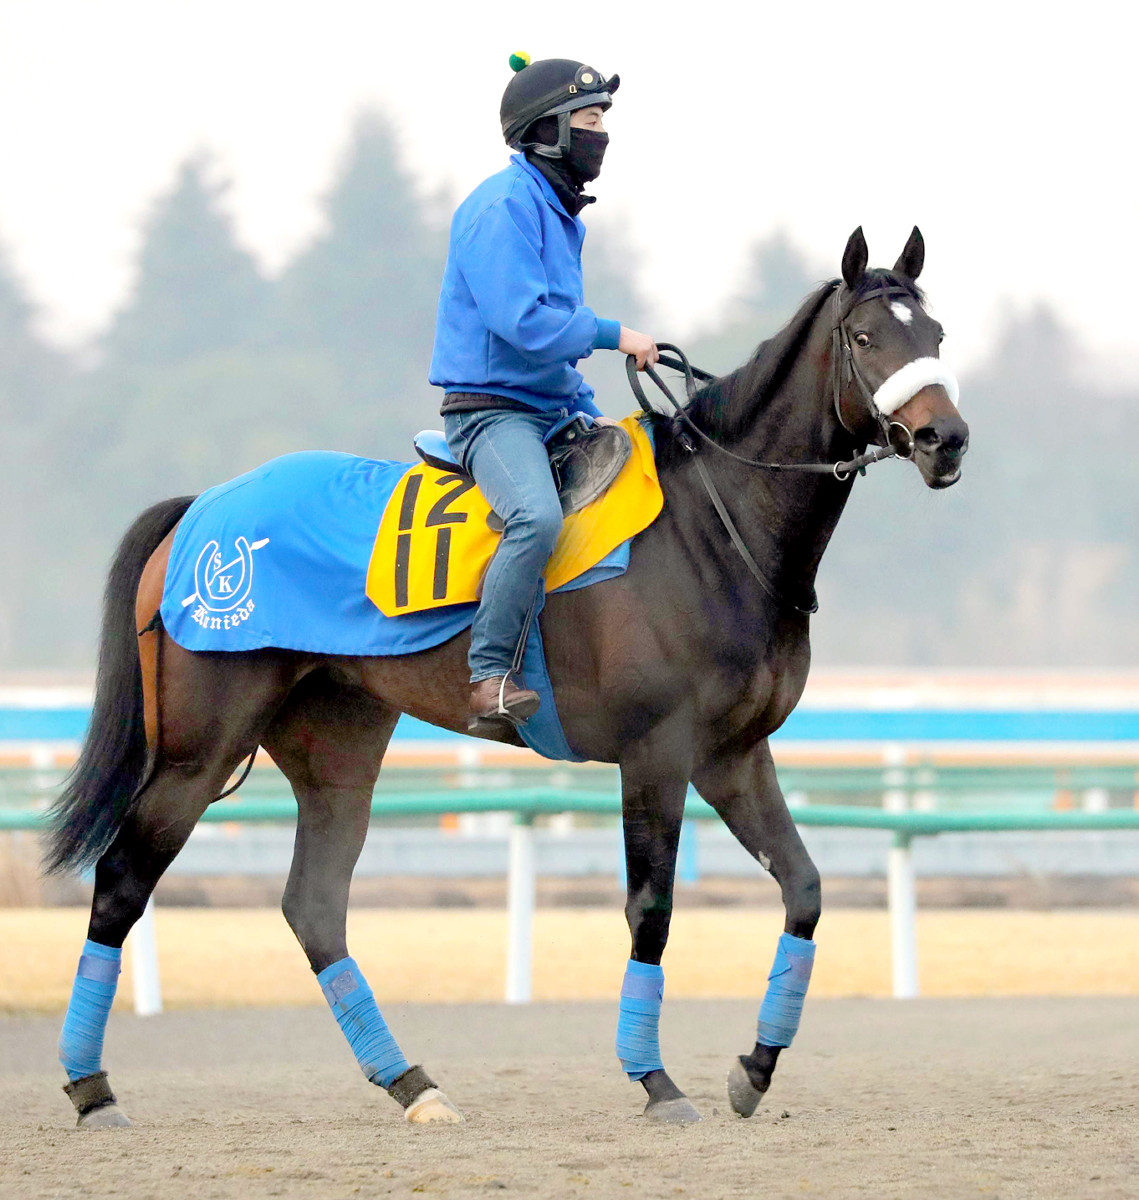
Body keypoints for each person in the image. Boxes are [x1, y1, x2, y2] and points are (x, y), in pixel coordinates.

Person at [429, 54, 658, 732]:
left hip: (549, 408)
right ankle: (488, 676)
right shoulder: (501, 208)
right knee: (536, 518)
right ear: (548, 131)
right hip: (490, 417)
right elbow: (523, 323)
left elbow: (548, 349)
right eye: (588, 121)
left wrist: (588, 406)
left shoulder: (557, 213)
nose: (600, 136)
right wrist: (616, 334)